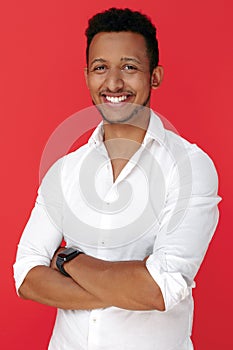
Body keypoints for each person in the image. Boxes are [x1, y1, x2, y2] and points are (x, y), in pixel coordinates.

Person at [13, 8, 221, 350]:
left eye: (129, 67)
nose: (113, 84)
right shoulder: (64, 171)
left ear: (154, 76)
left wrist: (67, 260)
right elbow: (27, 276)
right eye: (100, 68)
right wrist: (127, 288)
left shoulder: (190, 167)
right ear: (86, 76)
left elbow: (159, 289)